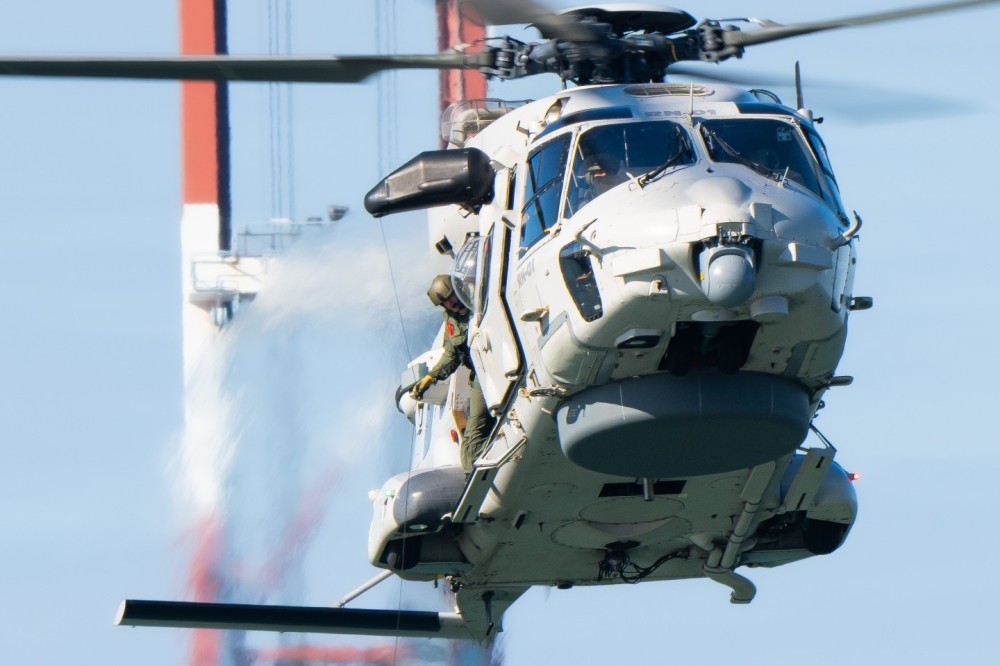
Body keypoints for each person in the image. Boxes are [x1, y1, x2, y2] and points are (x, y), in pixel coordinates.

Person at [410, 275, 495, 472]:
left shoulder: (483, 297)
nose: (452, 303)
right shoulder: (451, 322)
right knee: (471, 438)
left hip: (503, 361)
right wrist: (431, 377)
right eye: (446, 302)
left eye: (451, 297)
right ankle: (475, 475)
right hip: (482, 376)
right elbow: (452, 355)